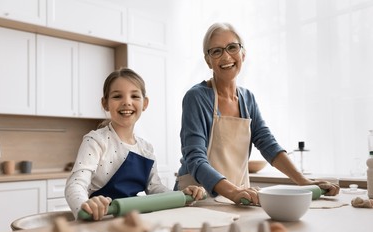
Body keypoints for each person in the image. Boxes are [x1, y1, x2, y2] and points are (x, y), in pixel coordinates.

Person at [175, 22, 340, 205]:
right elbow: (195, 159)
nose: (226, 56)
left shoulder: (248, 99)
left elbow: (267, 143)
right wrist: (234, 192)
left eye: (232, 47)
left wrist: (304, 182)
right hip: (198, 196)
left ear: (243, 54)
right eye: (216, 51)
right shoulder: (196, 97)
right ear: (208, 61)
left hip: (238, 196)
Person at [66, 67, 205, 220]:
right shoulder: (95, 141)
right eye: (117, 96)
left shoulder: (146, 149)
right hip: (101, 219)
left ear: (145, 103)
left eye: (134, 96)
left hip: (133, 220)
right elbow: (75, 184)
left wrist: (180, 196)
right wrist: (85, 205)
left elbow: (154, 188)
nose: (127, 102)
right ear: (105, 103)